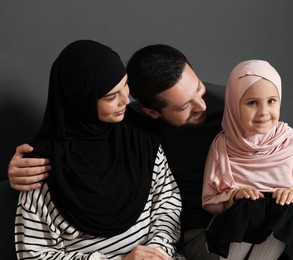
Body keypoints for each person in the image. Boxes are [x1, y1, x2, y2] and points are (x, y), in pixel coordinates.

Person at [9, 44, 293, 260]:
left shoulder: (231, 103)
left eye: (199, 90)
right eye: (185, 107)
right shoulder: (134, 131)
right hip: (208, 230)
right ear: (150, 112)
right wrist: (15, 165)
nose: (202, 105)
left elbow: (276, 139)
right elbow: (78, 131)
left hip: (272, 214)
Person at [14, 40, 182, 260]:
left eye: (126, 85)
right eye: (111, 97)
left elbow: (167, 202)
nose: (126, 100)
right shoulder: (40, 167)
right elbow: (34, 255)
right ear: (80, 100)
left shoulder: (141, 136)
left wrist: (158, 251)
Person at [202, 60, 293, 259]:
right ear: (233, 104)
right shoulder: (222, 145)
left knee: (288, 207)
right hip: (237, 229)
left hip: (282, 233)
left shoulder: (288, 140)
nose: (264, 112)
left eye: (271, 101)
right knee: (251, 204)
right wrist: (235, 195)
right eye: (252, 103)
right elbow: (208, 200)